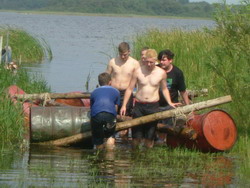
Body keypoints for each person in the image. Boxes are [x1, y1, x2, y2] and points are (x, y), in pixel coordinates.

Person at [120, 49, 180, 148]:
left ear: (155, 61)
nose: (149, 64)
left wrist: (170, 102)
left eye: (151, 62)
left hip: (153, 106)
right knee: (136, 137)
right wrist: (124, 106)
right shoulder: (138, 71)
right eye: (147, 62)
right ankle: (135, 157)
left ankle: (147, 158)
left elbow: (164, 89)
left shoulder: (161, 73)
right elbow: (130, 89)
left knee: (150, 137)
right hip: (139, 106)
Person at [156, 49, 190, 144]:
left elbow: (182, 91)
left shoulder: (177, 73)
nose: (161, 62)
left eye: (164, 60)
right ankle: (158, 143)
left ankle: (166, 143)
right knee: (157, 128)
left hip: (170, 105)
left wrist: (188, 107)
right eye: (160, 60)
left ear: (170, 60)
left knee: (168, 129)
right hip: (156, 104)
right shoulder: (155, 70)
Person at [106, 42, 140, 137]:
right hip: (113, 91)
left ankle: (123, 139)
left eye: (125, 55)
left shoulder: (134, 63)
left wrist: (138, 93)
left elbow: (137, 81)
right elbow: (107, 76)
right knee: (111, 115)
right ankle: (111, 137)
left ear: (129, 52)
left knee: (125, 115)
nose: (123, 57)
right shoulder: (112, 62)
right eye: (121, 55)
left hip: (127, 92)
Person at [90, 72, 120, 150]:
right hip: (110, 115)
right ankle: (109, 158)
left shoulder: (94, 92)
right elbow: (116, 107)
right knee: (110, 135)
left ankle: (99, 156)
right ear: (110, 82)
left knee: (98, 138)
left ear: (99, 82)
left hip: (97, 115)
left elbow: (92, 107)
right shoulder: (116, 91)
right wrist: (114, 117)